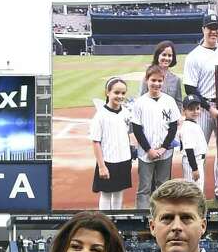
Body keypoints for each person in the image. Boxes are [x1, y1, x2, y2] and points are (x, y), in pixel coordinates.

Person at [183, 13, 218, 207]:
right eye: (210, 27)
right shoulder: (194, 56)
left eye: (216, 27)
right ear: (203, 30)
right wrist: (208, 108)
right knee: (198, 151)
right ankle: (193, 192)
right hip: (203, 107)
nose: (213, 31)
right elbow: (190, 88)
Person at [130, 66, 181, 210]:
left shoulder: (169, 101)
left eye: (159, 81)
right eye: (153, 80)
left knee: (163, 186)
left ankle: (162, 214)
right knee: (144, 188)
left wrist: (164, 147)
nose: (156, 84)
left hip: (165, 152)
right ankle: (141, 217)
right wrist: (149, 150)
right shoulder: (140, 102)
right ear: (147, 80)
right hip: (146, 153)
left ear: (163, 81)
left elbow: (173, 127)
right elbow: (137, 129)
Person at [89, 76, 134, 211]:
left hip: (124, 159)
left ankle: (117, 223)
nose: (120, 96)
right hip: (108, 161)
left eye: (123, 93)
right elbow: (96, 142)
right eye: (116, 92)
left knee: (119, 193)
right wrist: (102, 166)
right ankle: (105, 222)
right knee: (107, 194)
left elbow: (127, 134)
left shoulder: (126, 112)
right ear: (107, 93)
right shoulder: (100, 115)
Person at [139, 40, 184, 109]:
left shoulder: (176, 80)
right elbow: (141, 99)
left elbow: (178, 103)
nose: (167, 58)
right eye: (164, 55)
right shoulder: (148, 76)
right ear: (158, 56)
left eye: (170, 55)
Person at [177, 96, 208, 192]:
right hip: (192, 163)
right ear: (184, 111)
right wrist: (194, 169)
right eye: (191, 109)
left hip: (196, 161)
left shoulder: (192, 124)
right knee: (194, 192)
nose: (195, 111)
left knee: (196, 191)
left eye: (197, 108)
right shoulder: (188, 127)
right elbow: (189, 150)